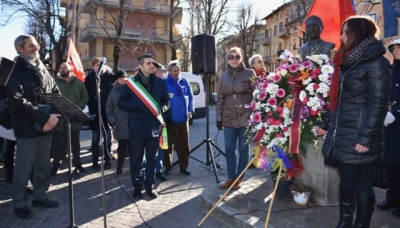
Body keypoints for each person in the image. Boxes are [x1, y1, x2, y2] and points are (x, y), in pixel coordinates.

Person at [315, 16, 391, 227]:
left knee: (362, 184)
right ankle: (345, 221)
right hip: (342, 133)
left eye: (345, 32)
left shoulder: (377, 63)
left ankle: (361, 224)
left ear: (358, 33)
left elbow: (378, 105)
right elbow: (337, 100)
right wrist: (325, 123)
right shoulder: (346, 62)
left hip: (360, 136)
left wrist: (366, 138)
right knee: (346, 180)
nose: (341, 37)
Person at [5, 35, 61, 219]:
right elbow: (18, 101)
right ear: (20, 48)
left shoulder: (43, 68)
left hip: (47, 126)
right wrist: (46, 117)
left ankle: (40, 196)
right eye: (31, 45)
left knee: (43, 165)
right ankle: (19, 203)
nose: (36, 48)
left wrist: (52, 118)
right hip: (27, 127)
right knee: (24, 167)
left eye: (36, 44)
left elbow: (55, 94)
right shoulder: (13, 69)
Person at [118, 54, 169, 199]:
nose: (153, 66)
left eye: (153, 63)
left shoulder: (160, 83)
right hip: (137, 127)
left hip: (154, 126)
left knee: (152, 158)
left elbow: (166, 101)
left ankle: (149, 186)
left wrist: (161, 109)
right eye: (149, 63)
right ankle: (137, 185)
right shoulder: (131, 83)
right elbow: (121, 102)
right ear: (141, 66)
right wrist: (133, 107)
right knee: (136, 159)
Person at [216, 47, 254, 190]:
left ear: (242, 57)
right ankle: (231, 177)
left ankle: (239, 178)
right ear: (227, 59)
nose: (234, 60)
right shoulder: (224, 76)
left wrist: (256, 115)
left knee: (243, 149)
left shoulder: (250, 73)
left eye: (237, 57)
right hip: (229, 118)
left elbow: (257, 94)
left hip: (246, 117)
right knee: (230, 149)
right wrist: (219, 118)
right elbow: (220, 99)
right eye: (231, 57)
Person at [375, 39, 400, 217]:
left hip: (396, 119)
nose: (396, 50)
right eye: (394, 48)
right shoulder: (392, 69)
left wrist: (396, 113)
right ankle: (392, 196)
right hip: (389, 123)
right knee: (390, 162)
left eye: (399, 47)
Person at [50, 62, 89, 176]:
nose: (62, 69)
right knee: (58, 144)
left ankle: (77, 164)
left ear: (70, 69)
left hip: (75, 118)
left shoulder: (79, 83)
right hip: (59, 118)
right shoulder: (55, 82)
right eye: (61, 67)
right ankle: (55, 166)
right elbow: (51, 96)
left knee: (75, 144)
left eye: (65, 67)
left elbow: (85, 96)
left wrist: (78, 107)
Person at [163, 60, 194, 176]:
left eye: (178, 70)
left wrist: (191, 110)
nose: (177, 72)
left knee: (184, 145)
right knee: (168, 145)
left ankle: (184, 167)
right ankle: (168, 166)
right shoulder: (165, 83)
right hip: (170, 120)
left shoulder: (184, 82)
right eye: (174, 71)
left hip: (183, 119)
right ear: (169, 71)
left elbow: (190, 98)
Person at [84, 57, 116, 170]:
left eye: (100, 64)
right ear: (93, 67)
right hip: (95, 112)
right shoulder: (90, 77)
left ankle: (107, 159)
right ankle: (95, 160)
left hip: (107, 112)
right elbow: (85, 93)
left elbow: (115, 92)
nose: (98, 67)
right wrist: (91, 104)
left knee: (107, 137)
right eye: (96, 65)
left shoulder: (111, 76)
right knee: (95, 137)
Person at [106, 70, 129, 175]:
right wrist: (113, 120)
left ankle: (135, 168)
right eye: (121, 78)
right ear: (117, 80)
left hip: (133, 123)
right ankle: (119, 167)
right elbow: (109, 108)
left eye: (125, 77)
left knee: (135, 148)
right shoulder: (113, 92)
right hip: (120, 123)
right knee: (122, 147)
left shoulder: (132, 90)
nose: (123, 80)